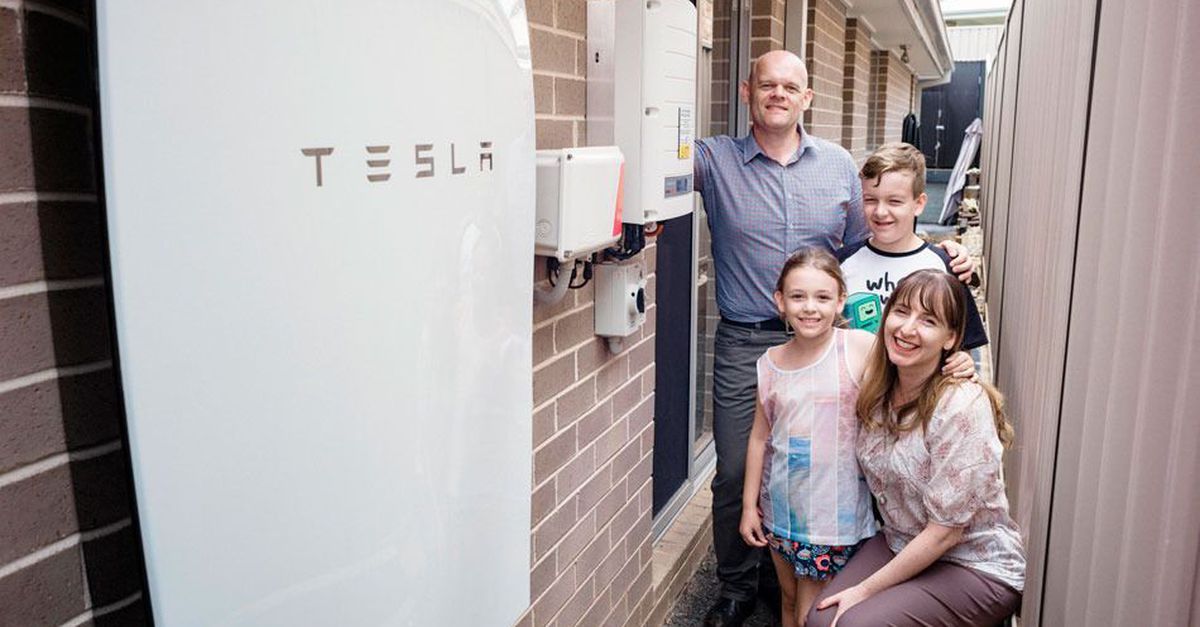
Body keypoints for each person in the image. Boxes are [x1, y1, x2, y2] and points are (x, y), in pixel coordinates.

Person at [693, 50, 975, 626]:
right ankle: (738, 585)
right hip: (749, 341)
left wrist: (941, 255)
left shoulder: (838, 165)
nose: (777, 94)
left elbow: (868, 241)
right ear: (747, 92)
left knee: (836, 461)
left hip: (829, 339)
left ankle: (816, 569)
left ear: (807, 97)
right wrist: (640, 213)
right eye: (766, 85)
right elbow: (658, 163)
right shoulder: (715, 159)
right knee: (736, 468)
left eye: (789, 86)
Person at [738, 251, 974, 627]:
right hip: (780, 510)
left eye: (822, 297)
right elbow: (758, 438)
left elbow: (911, 364)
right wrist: (749, 506)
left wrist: (957, 362)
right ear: (780, 301)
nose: (810, 307)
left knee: (812, 612)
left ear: (840, 301)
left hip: (833, 517)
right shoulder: (769, 363)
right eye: (798, 296)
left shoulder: (858, 346)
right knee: (787, 598)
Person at [806, 270, 1025, 627]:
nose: (907, 329)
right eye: (902, 311)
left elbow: (946, 532)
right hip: (901, 540)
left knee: (854, 623)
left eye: (928, 321)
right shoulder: (878, 388)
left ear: (951, 338)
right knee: (819, 620)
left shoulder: (961, 404)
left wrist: (863, 591)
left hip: (973, 562)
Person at [837, 142, 988, 356]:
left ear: (919, 204)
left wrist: (962, 360)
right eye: (870, 200)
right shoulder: (841, 263)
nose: (880, 212)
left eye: (894, 201)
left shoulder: (945, 266)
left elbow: (963, 344)